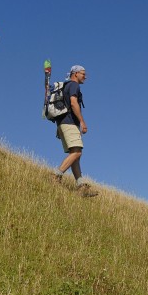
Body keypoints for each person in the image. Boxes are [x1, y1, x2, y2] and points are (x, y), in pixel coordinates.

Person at [52, 65, 98, 197]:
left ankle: (81, 186)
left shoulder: (67, 86)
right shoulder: (74, 86)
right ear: (76, 73)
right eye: (83, 73)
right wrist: (82, 122)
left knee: (75, 155)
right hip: (69, 123)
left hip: (64, 124)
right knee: (77, 152)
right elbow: (73, 103)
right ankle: (56, 175)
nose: (85, 76)